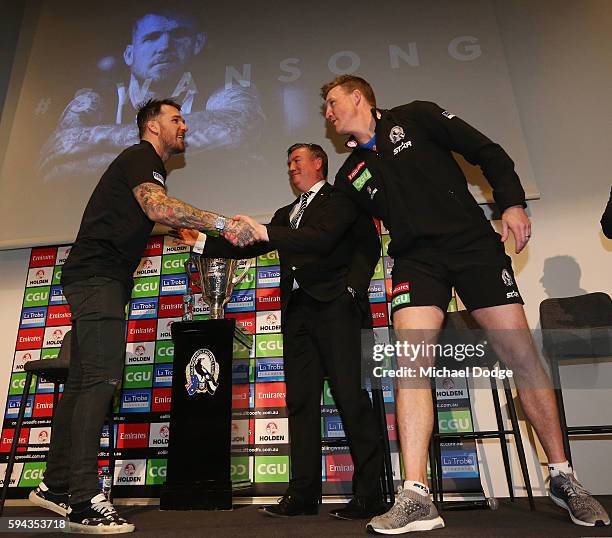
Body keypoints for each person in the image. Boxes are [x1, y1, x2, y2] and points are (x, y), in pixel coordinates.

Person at [321, 74, 611, 533]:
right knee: (410, 360)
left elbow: (488, 152)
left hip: (472, 246)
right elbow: (325, 230)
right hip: (416, 261)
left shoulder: (416, 116)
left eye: (333, 103)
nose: (329, 113)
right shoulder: (350, 173)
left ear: (359, 97)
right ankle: (416, 495)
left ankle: (563, 477)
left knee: (520, 355)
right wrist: (260, 235)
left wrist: (511, 204)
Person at [28, 98, 255, 534]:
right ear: (152, 126)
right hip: (97, 278)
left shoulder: (146, 165)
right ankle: (81, 499)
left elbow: (135, 216)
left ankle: (56, 486)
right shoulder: (141, 157)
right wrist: (220, 222)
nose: (184, 126)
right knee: (101, 380)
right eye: (176, 119)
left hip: (97, 278)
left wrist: (171, 227)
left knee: (82, 382)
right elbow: (154, 205)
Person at [172, 143, 387, 520]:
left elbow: (337, 241)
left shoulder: (340, 199)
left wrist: (351, 289)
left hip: (336, 309)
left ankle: (371, 496)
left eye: (297, 161)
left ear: (318, 163)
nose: (291, 168)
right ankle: (303, 495)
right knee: (301, 402)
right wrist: (203, 241)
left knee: (351, 399)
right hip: (298, 313)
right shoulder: (285, 214)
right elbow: (250, 244)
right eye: (287, 163)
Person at [39, 2, 264, 182]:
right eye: (151, 37)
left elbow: (237, 130)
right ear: (129, 54)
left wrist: (98, 147)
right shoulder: (97, 99)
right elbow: (53, 158)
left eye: (179, 34)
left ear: (197, 43)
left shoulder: (225, 89)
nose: (165, 45)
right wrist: (193, 150)